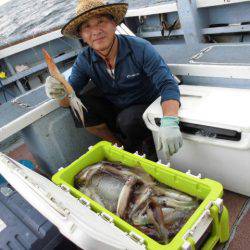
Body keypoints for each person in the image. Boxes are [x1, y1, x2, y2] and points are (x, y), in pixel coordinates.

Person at [45, 0, 183, 159]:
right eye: (86, 27)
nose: (95, 31)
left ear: (114, 24)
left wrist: (170, 120)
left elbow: (167, 83)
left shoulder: (140, 48)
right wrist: (59, 93)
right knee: (80, 107)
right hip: (118, 110)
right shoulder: (84, 60)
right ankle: (120, 148)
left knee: (127, 119)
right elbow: (68, 101)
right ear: (82, 36)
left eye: (101, 22)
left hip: (148, 107)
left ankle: (149, 145)